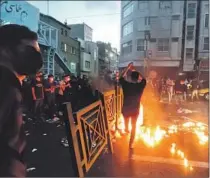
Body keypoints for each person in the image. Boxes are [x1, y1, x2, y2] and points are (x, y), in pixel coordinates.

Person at [0, 24, 43, 176]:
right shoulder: (5, 86)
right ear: (4, 50)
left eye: (37, 51)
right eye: (29, 50)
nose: (36, 56)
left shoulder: (12, 85)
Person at [119, 62, 146, 149]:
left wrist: (128, 67)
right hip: (135, 110)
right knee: (134, 126)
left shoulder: (126, 85)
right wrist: (136, 70)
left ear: (130, 77)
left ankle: (126, 128)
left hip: (126, 109)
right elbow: (144, 79)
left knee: (126, 120)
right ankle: (131, 143)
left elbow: (121, 77)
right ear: (138, 78)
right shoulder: (140, 86)